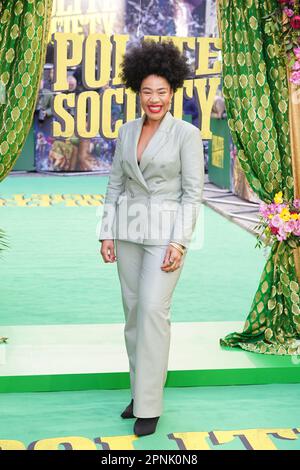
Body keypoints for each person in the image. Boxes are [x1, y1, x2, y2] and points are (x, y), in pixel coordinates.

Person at [98, 39, 204, 437]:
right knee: (132, 315)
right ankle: (139, 392)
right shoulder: (126, 131)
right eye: (147, 92)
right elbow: (114, 184)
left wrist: (180, 242)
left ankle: (150, 405)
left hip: (165, 235)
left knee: (152, 313)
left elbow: (192, 193)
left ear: (173, 91)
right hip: (127, 232)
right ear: (137, 92)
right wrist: (106, 231)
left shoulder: (186, 134)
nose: (154, 99)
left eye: (161, 91)